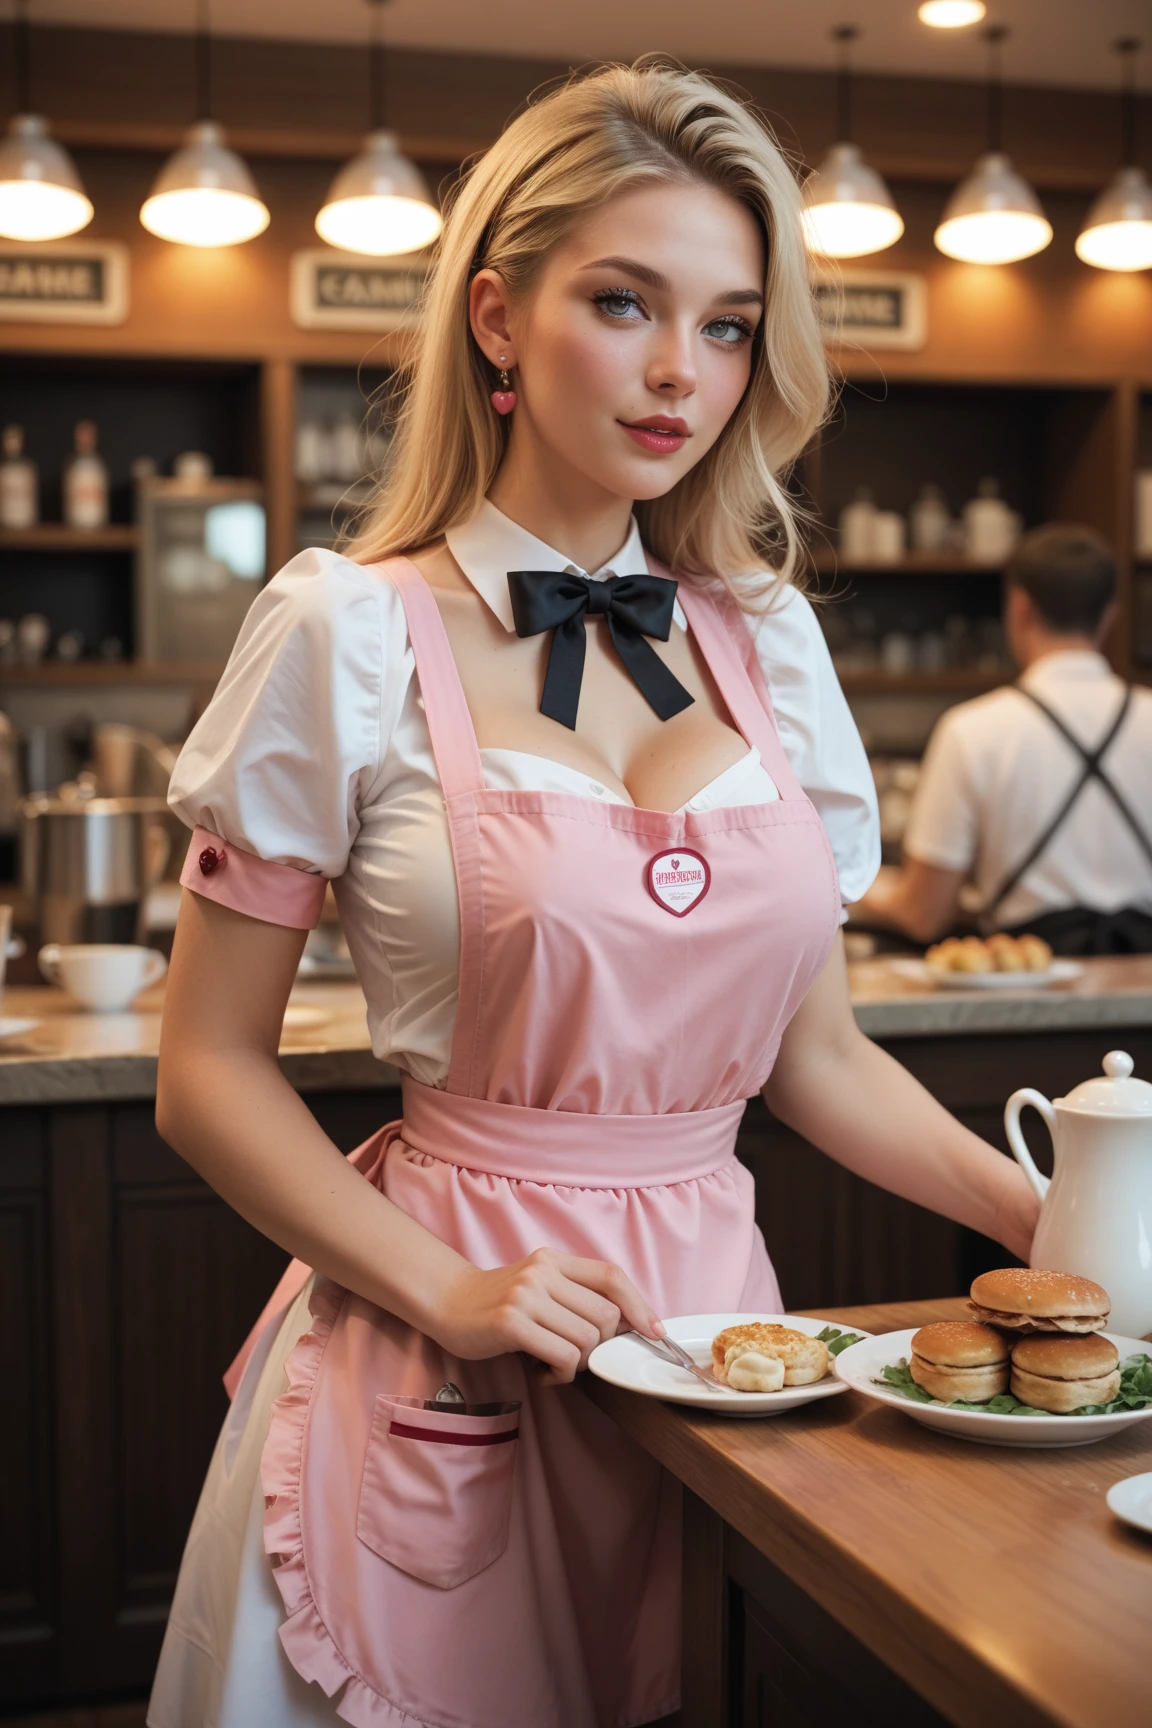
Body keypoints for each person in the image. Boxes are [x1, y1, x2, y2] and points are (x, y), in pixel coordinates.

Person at [147, 60, 1039, 1728]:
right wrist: (448, 1288)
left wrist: (1034, 1217)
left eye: (723, 325)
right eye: (623, 302)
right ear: (496, 313)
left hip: (717, 1340)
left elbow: (815, 1053)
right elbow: (203, 1072)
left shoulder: (763, 641)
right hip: (445, 1331)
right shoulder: (345, 629)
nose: (675, 374)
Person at [859, 524, 1152, 954]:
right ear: (1110, 615)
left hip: (1029, 984)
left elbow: (924, 914)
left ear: (1020, 609)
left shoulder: (972, 730)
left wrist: (849, 881)